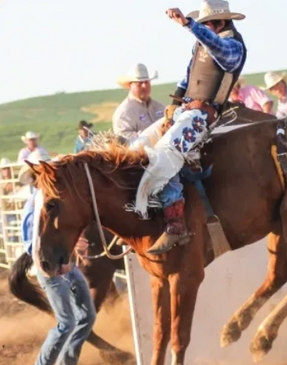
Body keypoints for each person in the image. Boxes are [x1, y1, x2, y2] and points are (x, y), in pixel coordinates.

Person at [133, 0, 247, 255]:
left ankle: (175, 222)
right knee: (136, 147)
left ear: (221, 22)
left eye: (208, 23)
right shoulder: (201, 45)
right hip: (186, 111)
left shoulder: (233, 46)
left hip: (203, 115)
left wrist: (189, 25)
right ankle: (138, 212)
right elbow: (188, 76)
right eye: (203, 24)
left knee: (165, 154)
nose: (205, 28)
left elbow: (218, 49)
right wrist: (174, 102)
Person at [19, 149, 96, 365]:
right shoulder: (33, 206)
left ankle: (66, 362)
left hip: (67, 266)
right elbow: (30, 244)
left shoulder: (55, 204)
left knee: (86, 316)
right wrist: (53, 264)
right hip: (50, 269)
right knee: (67, 322)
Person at [112, 63, 165, 139]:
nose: (144, 86)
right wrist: (152, 136)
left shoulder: (160, 107)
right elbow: (123, 139)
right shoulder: (124, 113)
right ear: (130, 85)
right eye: (139, 83)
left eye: (146, 82)